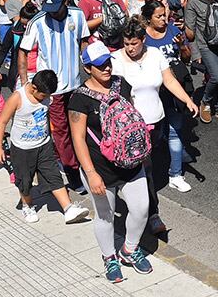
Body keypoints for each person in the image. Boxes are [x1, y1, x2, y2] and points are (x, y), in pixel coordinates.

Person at [68, 42, 157, 283]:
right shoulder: (79, 99)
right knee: (105, 215)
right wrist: (90, 173)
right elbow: (78, 139)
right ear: (87, 68)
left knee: (141, 209)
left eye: (107, 62)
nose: (106, 68)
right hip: (100, 168)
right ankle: (109, 258)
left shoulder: (121, 84)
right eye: (99, 66)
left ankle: (129, 250)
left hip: (130, 163)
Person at [111, 19, 198, 232]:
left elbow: (169, 80)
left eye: (134, 43)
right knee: (145, 170)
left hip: (156, 122)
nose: (130, 48)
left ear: (143, 40)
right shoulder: (116, 60)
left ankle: (139, 203)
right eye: (126, 44)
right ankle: (152, 215)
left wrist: (187, 99)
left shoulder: (155, 55)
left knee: (146, 167)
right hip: (133, 128)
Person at [17, 0, 90, 190]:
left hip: (75, 85)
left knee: (80, 128)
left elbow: (84, 42)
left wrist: (90, 69)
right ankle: (72, 172)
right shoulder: (37, 22)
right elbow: (23, 51)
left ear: (65, 2)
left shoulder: (77, 16)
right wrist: (25, 82)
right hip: (52, 90)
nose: (51, 13)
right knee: (61, 132)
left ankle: (83, 163)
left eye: (55, 8)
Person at [0, 68, 88, 223]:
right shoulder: (18, 98)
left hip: (44, 145)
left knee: (53, 176)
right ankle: (27, 205)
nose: (47, 98)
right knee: (25, 181)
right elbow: (2, 122)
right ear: (34, 88)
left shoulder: (46, 97)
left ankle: (68, 208)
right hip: (22, 149)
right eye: (44, 95)